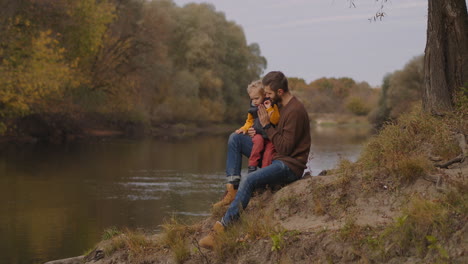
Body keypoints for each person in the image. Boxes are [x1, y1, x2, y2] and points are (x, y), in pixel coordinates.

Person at [200, 71, 311, 249]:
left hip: (289, 165)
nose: (265, 96)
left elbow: (285, 148)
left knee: (250, 179)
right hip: (275, 155)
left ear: (280, 92)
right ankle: (232, 190)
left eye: (268, 93)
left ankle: (220, 230)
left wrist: (266, 126)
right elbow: (271, 132)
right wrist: (256, 131)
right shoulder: (279, 104)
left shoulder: (295, 111)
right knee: (235, 139)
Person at [235, 80, 280, 174]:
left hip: (270, 137)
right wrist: (244, 129)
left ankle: (263, 173)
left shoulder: (271, 105)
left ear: (264, 95)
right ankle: (252, 167)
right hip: (258, 134)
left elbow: (275, 120)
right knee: (258, 143)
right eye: (252, 99)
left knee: (268, 152)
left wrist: (269, 109)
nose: (254, 101)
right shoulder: (252, 109)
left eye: (256, 98)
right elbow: (249, 121)